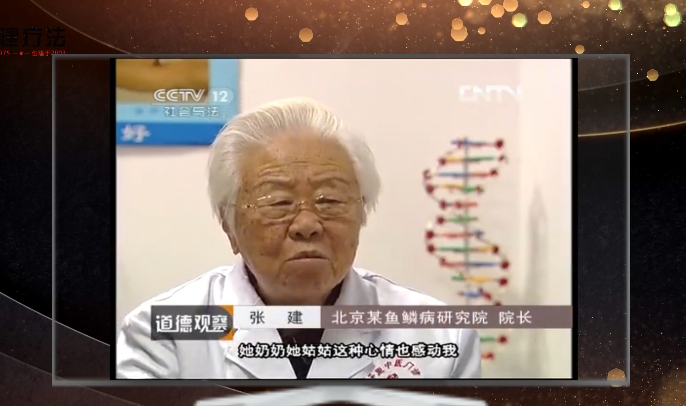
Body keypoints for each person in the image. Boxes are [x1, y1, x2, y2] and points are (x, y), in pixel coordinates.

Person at [116, 97, 481, 379]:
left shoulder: (440, 334)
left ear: (362, 213)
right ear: (229, 225)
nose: (307, 224)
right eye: (277, 202)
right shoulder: (160, 334)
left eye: (330, 200)